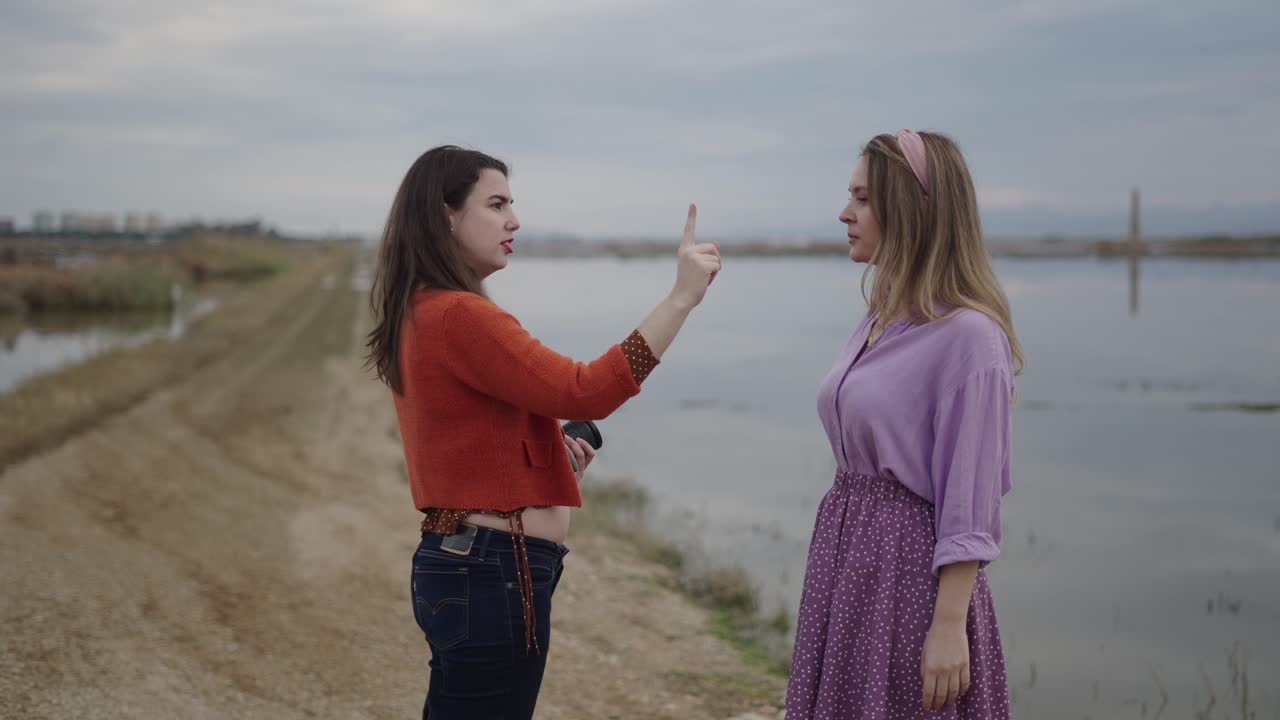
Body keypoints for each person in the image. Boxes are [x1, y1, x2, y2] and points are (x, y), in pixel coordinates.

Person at [364, 145, 720, 719]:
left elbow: (465, 439)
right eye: (497, 204)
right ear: (445, 214)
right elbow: (587, 391)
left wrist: (547, 457)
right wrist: (681, 298)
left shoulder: (421, 309)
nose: (515, 221)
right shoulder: (461, 315)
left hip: (470, 562)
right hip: (490, 568)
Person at [785, 130, 1025, 719]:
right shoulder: (883, 317)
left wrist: (948, 628)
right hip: (849, 559)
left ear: (913, 210)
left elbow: (969, 502)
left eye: (864, 198)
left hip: (908, 576)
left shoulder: (971, 339)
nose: (846, 213)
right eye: (851, 196)